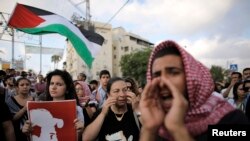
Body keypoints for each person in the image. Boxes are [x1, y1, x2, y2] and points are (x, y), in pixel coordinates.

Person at [139, 40, 249, 141]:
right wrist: (149, 129)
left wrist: (177, 129)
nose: (162, 82)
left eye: (173, 72)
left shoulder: (232, 120)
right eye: (157, 75)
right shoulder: (157, 124)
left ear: (192, 78)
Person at [22, 69, 84, 141]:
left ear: (67, 89)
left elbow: (76, 138)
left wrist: (80, 131)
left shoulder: (77, 110)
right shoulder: (40, 109)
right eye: (51, 83)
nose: (53, 87)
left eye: (59, 84)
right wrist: (28, 132)